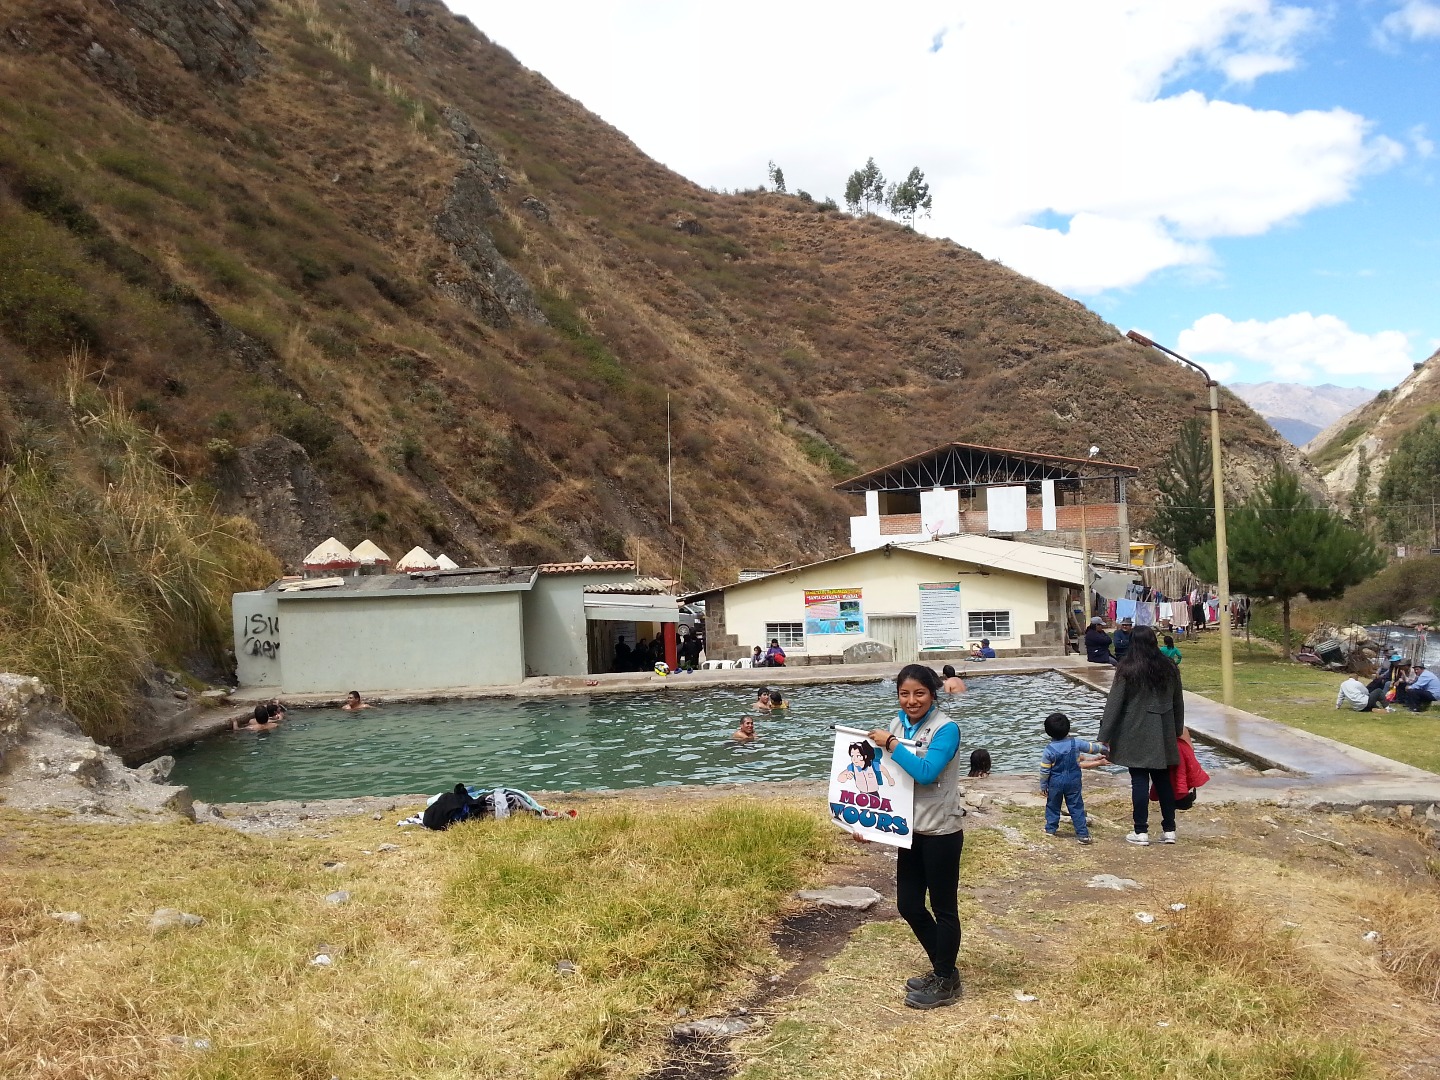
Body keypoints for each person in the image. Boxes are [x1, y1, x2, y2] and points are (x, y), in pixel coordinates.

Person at [864, 664, 965, 1010]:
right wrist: (870, 822)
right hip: (910, 830)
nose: (911, 701)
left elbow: (925, 773)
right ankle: (945, 970)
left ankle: (945, 978)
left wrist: (891, 743)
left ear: (933, 694)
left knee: (943, 907)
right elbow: (888, 776)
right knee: (908, 904)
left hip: (940, 830)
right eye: (904, 694)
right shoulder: (897, 723)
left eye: (919, 693)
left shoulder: (946, 730)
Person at [1098, 625, 1184, 846]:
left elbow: (1114, 705)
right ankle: (1169, 830)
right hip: (1163, 730)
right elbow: (1178, 702)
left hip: (1134, 730)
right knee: (1163, 780)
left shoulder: (1127, 668)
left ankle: (1141, 831)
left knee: (1139, 780)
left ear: (1133, 642)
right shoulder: (1170, 667)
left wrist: (1104, 735)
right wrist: (1176, 730)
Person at [1038, 712, 1108, 845]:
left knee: (1053, 805)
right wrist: (1104, 748)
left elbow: (1044, 770)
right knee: (1076, 806)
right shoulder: (1076, 743)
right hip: (1073, 780)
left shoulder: (1049, 750)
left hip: (1055, 782)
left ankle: (1051, 829)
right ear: (1068, 728)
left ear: (1048, 732)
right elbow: (1092, 748)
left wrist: (1043, 785)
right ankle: (1083, 834)